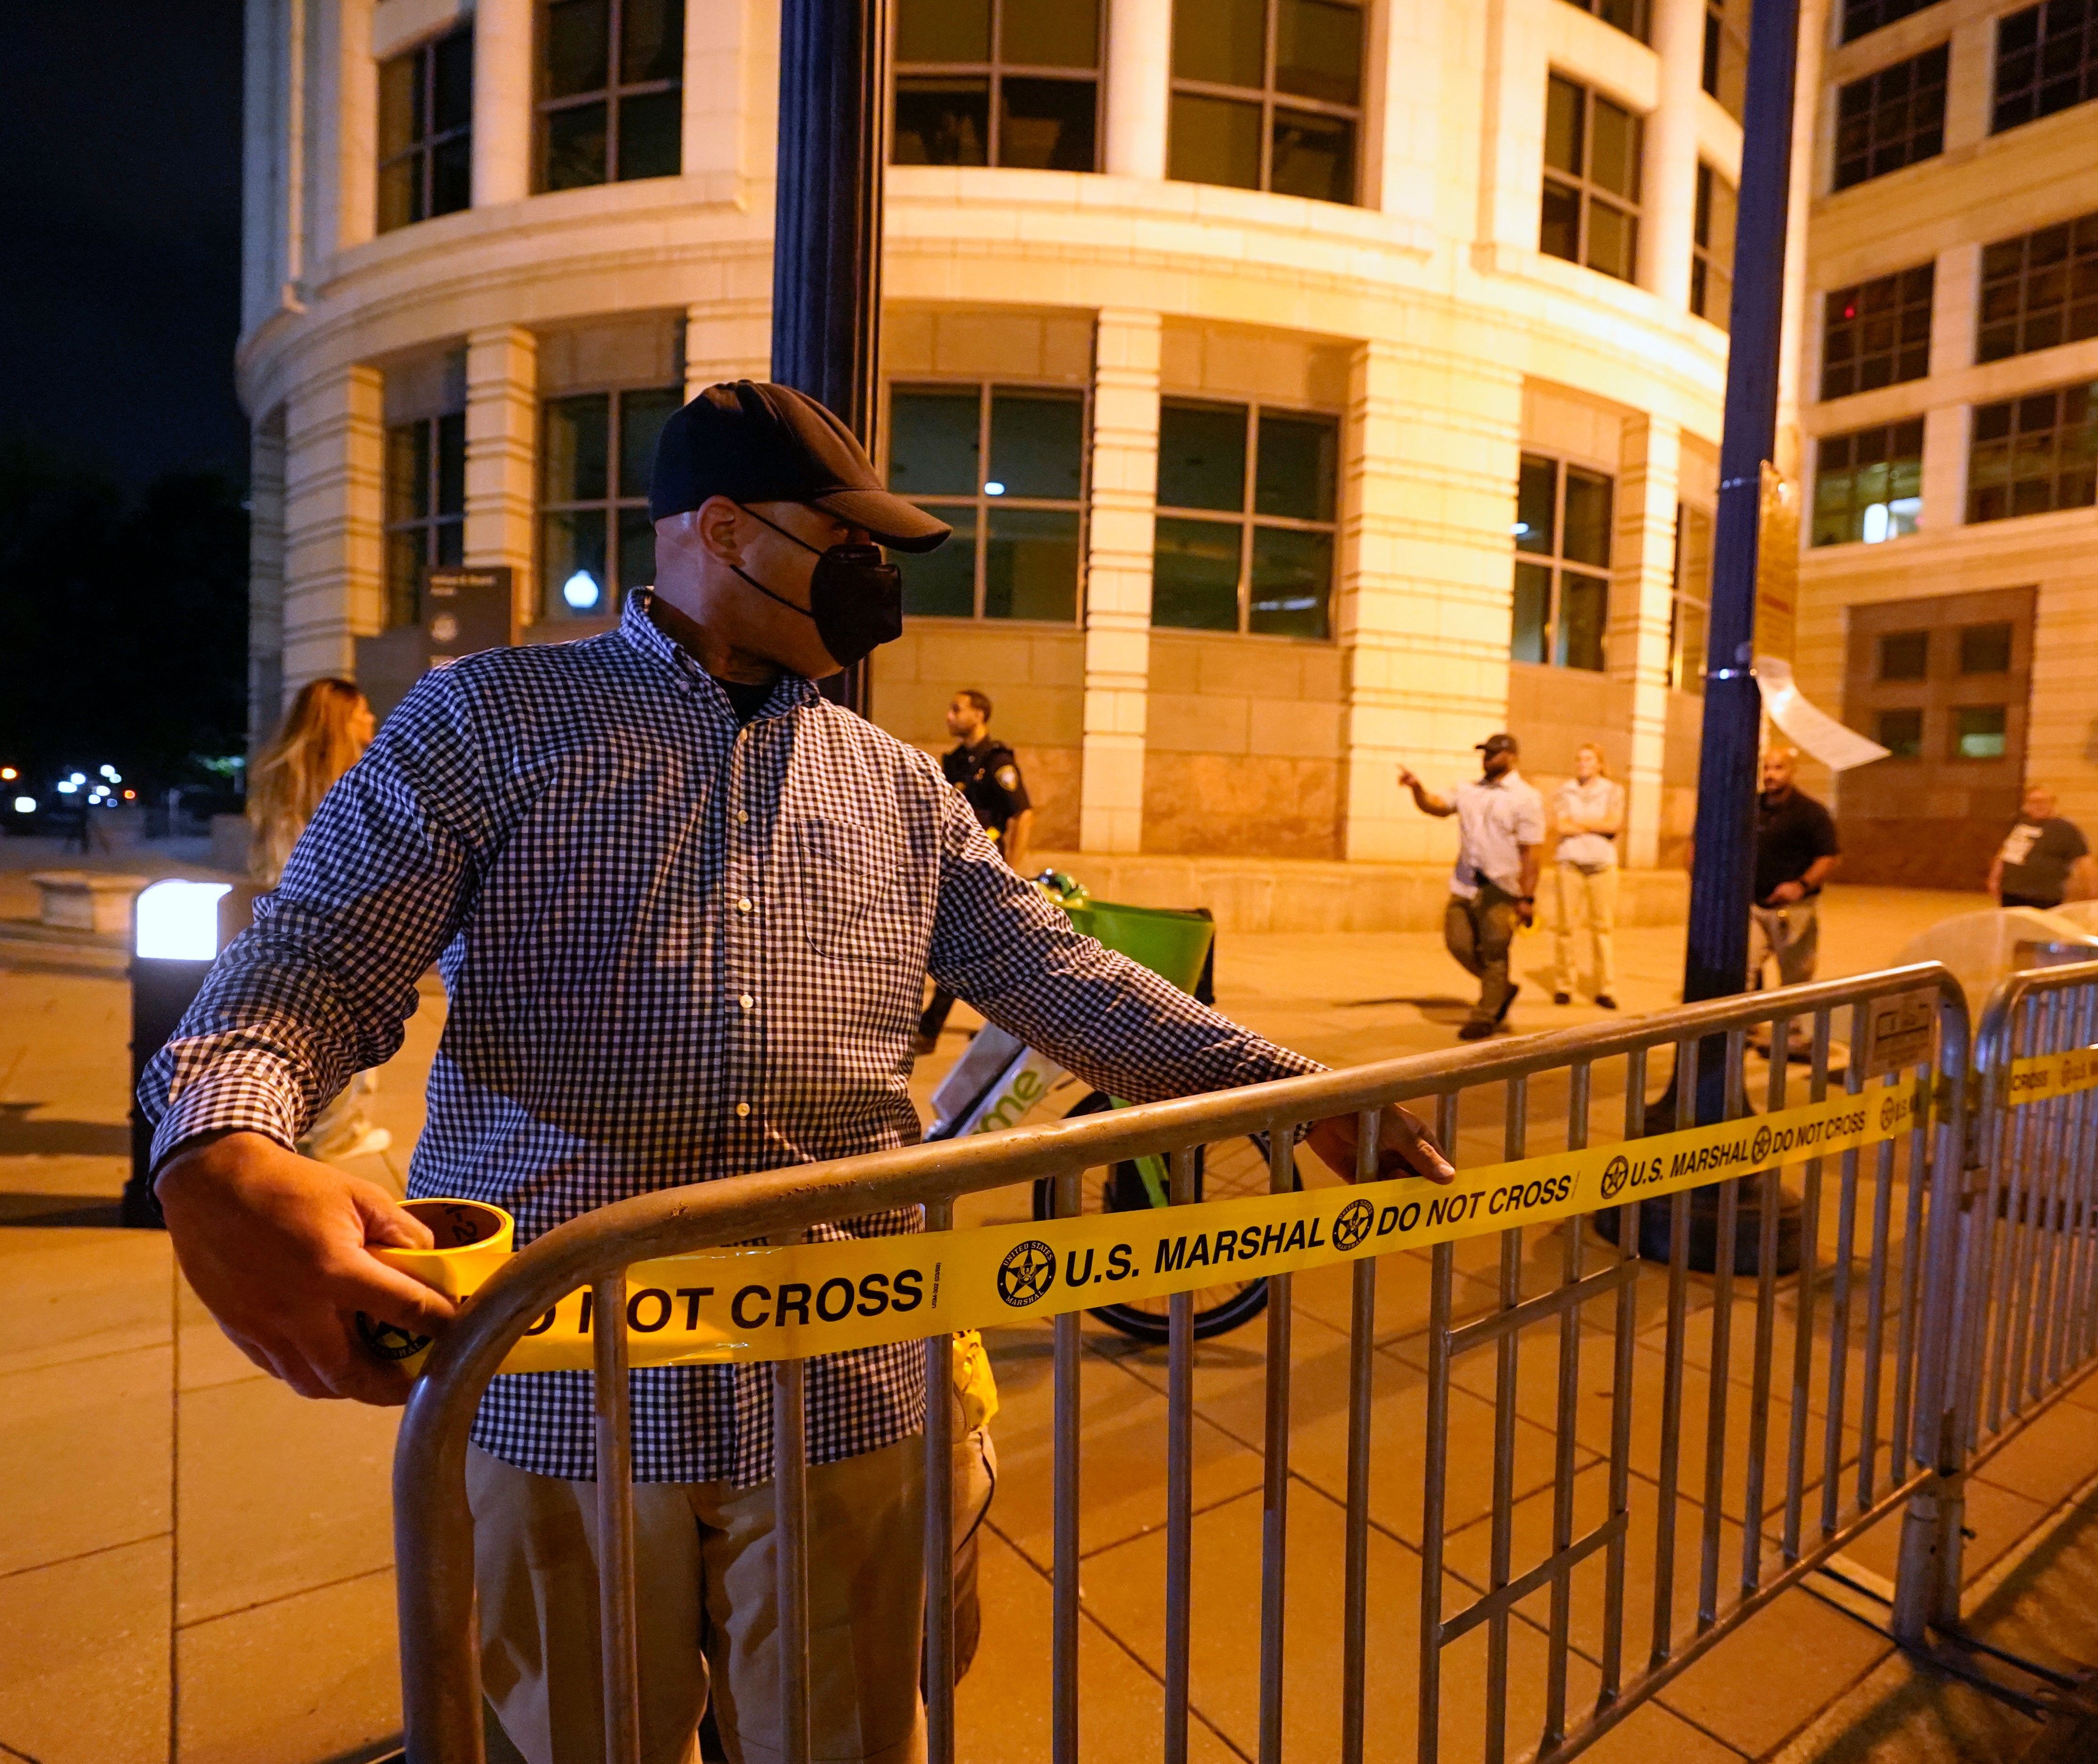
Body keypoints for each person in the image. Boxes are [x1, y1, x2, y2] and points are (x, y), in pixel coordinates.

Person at [140, 380, 1449, 1764]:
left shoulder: (898, 787)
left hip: (844, 1387)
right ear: (719, 527)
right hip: (562, 1400)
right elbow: (312, 963)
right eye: (843, 538)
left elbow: (1059, 975)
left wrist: (1299, 1097)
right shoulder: (488, 722)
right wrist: (217, 1145)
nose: (870, 580)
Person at [247, 677, 390, 1162]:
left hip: (283, 925)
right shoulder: (358, 783)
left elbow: (270, 862)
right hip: (342, 929)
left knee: (300, 1030)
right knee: (351, 1036)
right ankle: (335, 1137)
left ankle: (301, 1125)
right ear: (339, 721)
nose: (371, 720)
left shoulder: (279, 781)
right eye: (362, 712)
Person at [912, 688, 1034, 1055]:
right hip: (952, 866)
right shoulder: (956, 762)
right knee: (968, 948)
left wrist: (1012, 867)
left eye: (957, 709)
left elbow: (1023, 813)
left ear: (979, 715)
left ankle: (930, 1029)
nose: (949, 716)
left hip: (982, 867)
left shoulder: (997, 762)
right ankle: (1007, 1025)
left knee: (959, 945)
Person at [1400, 732, 1544, 1040]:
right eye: (1484, 753)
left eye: (1493, 753)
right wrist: (1417, 789)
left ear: (1512, 757)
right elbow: (1436, 806)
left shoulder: (1527, 798)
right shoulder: (1468, 790)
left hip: (1501, 889)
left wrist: (1527, 897)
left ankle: (1485, 1015)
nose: (1487, 758)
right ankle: (1501, 989)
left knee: (1495, 952)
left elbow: (1531, 853)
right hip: (1465, 884)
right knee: (1459, 944)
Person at [1750, 747, 1840, 993]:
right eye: (1767, 768)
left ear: (1793, 771)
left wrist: (1801, 885)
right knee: (1745, 970)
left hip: (1794, 911)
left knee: (1795, 979)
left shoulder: (1811, 813)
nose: (1771, 775)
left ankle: (1793, 1031)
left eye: (1779, 768)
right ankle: (1746, 1028)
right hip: (1756, 907)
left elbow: (1828, 857)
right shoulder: (1752, 808)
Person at [1545, 742, 1623, 1009]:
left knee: (1603, 928)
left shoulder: (1613, 791)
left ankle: (1605, 988)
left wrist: (1582, 824)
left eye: (1589, 760)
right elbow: (1561, 827)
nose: (1583, 764)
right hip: (1571, 864)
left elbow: (1614, 824)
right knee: (1566, 927)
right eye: (1579, 759)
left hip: (1602, 866)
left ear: (1599, 763)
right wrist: (1596, 825)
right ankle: (1564, 985)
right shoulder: (1565, 791)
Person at [1988, 786, 2096, 910]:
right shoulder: (2020, 825)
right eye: (2034, 802)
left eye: (2043, 801)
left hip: (2045, 897)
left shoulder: (2066, 830)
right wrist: (1994, 879)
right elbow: (2005, 853)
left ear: (2053, 803)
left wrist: (2092, 891)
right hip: (2012, 893)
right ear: (2027, 805)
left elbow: (2085, 862)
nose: (2039, 806)